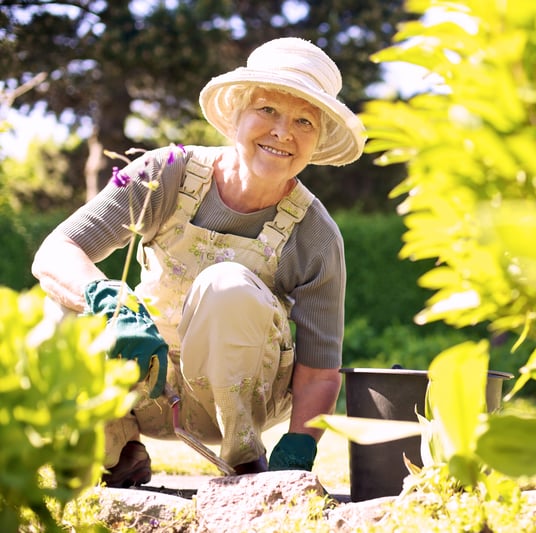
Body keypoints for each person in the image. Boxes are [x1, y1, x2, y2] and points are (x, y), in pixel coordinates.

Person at [31, 37, 365, 487]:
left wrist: (300, 445)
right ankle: (115, 449)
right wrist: (108, 301)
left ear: (318, 139)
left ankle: (246, 463)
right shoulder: (163, 173)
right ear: (236, 116)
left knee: (227, 284)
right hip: (141, 382)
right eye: (267, 110)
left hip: (239, 402)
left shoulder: (315, 234)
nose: (283, 132)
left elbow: (321, 371)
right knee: (59, 308)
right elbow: (57, 252)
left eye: (304, 121)